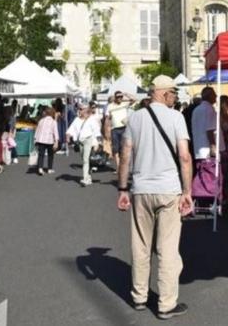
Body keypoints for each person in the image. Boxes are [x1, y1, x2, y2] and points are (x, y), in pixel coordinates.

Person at [116, 75, 193, 320]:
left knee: (140, 245)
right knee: (168, 248)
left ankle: (139, 296)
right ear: (162, 93)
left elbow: (125, 154)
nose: (175, 96)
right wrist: (187, 191)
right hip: (168, 189)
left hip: (141, 188)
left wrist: (122, 189)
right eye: (173, 92)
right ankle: (166, 303)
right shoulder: (176, 117)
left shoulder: (136, 118)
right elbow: (184, 156)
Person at [66, 106, 100, 187]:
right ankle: (88, 176)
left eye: (81, 109)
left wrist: (96, 143)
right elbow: (71, 129)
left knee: (85, 159)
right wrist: (68, 136)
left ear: (86, 110)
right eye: (79, 109)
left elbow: (96, 131)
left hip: (88, 139)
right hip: (80, 141)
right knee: (84, 158)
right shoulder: (76, 119)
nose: (79, 110)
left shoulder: (91, 119)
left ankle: (85, 179)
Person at [107, 91, 134, 168]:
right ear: (115, 98)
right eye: (118, 97)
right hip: (114, 129)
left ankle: (123, 165)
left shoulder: (124, 104)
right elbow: (107, 118)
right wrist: (107, 130)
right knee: (115, 148)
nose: (120, 98)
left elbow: (134, 99)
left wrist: (126, 94)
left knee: (124, 148)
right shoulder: (110, 106)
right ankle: (118, 166)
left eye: (121, 97)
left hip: (124, 128)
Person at [34, 107, 59, 175]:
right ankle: (49, 169)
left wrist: (35, 139)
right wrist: (56, 142)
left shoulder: (41, 120)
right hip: (49, 140)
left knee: (41, 154)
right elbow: (55, 132)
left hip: (41, 140)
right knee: (50, 155)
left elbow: (37, 130)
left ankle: (40, 168)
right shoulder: (53, 121)